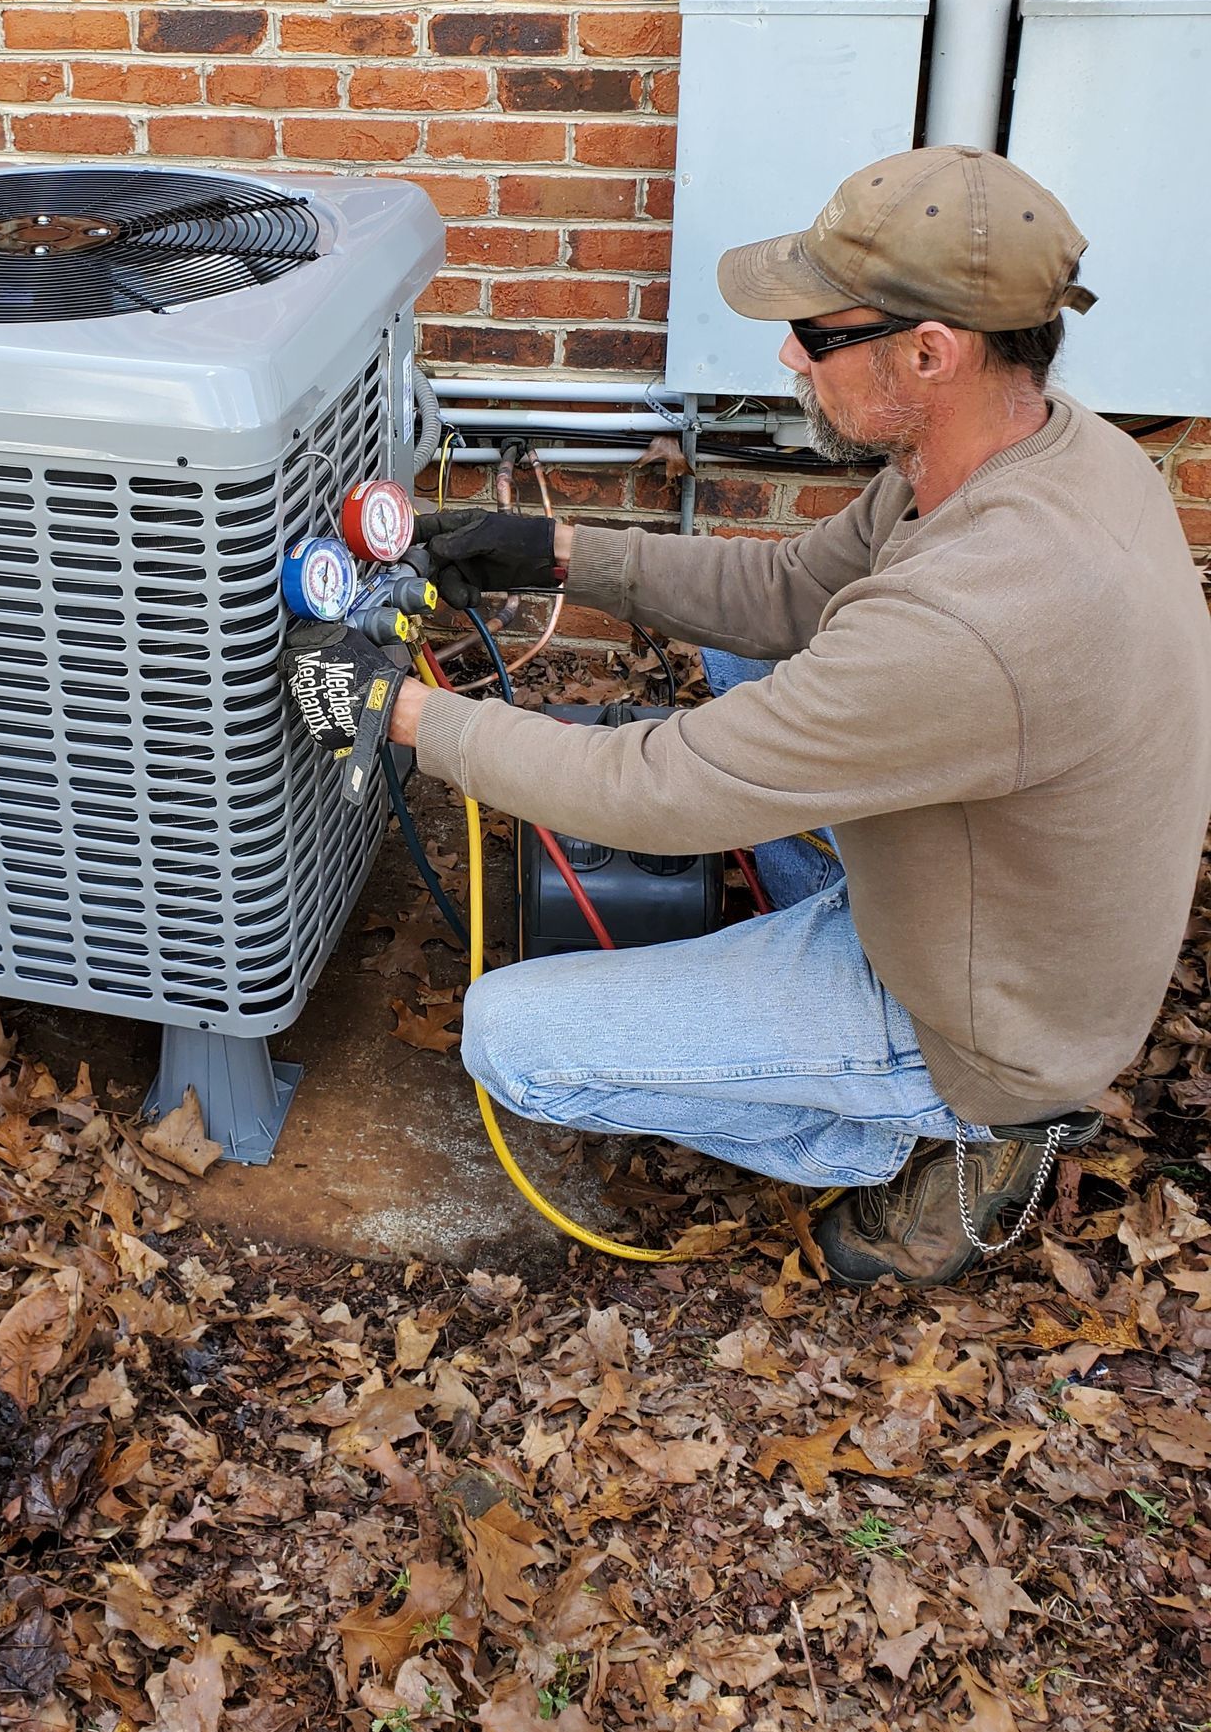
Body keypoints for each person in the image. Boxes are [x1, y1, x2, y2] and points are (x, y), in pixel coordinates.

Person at [287, 147, 1211, 1286]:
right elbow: (782, 596)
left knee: (512, 1041)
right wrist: (550, 551)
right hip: (998, 891)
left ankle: (941, 1131)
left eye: (817, 335)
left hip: (979, 1018)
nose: (787, 353)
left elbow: (656, 792)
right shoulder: (1022, 450)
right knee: (749, 649)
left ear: (933, 352)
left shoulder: (979, 616)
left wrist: (404, 711)